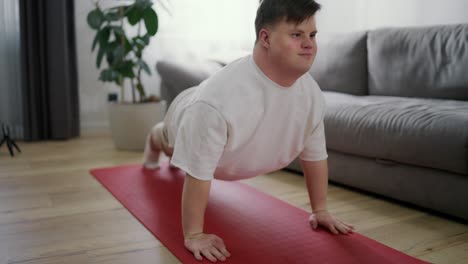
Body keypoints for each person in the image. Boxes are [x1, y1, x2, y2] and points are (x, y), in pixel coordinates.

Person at [143, 0, 354, 262]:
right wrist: (194, 234)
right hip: (186, 113)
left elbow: (315, 156)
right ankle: (155, 135)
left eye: (312, 35)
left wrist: (320, 210)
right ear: (265, 38)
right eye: (297, 35)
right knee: (168, 142)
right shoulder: (213, 104)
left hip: (219, 136)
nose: (309, 44)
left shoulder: (311, 96)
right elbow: (197, 172)